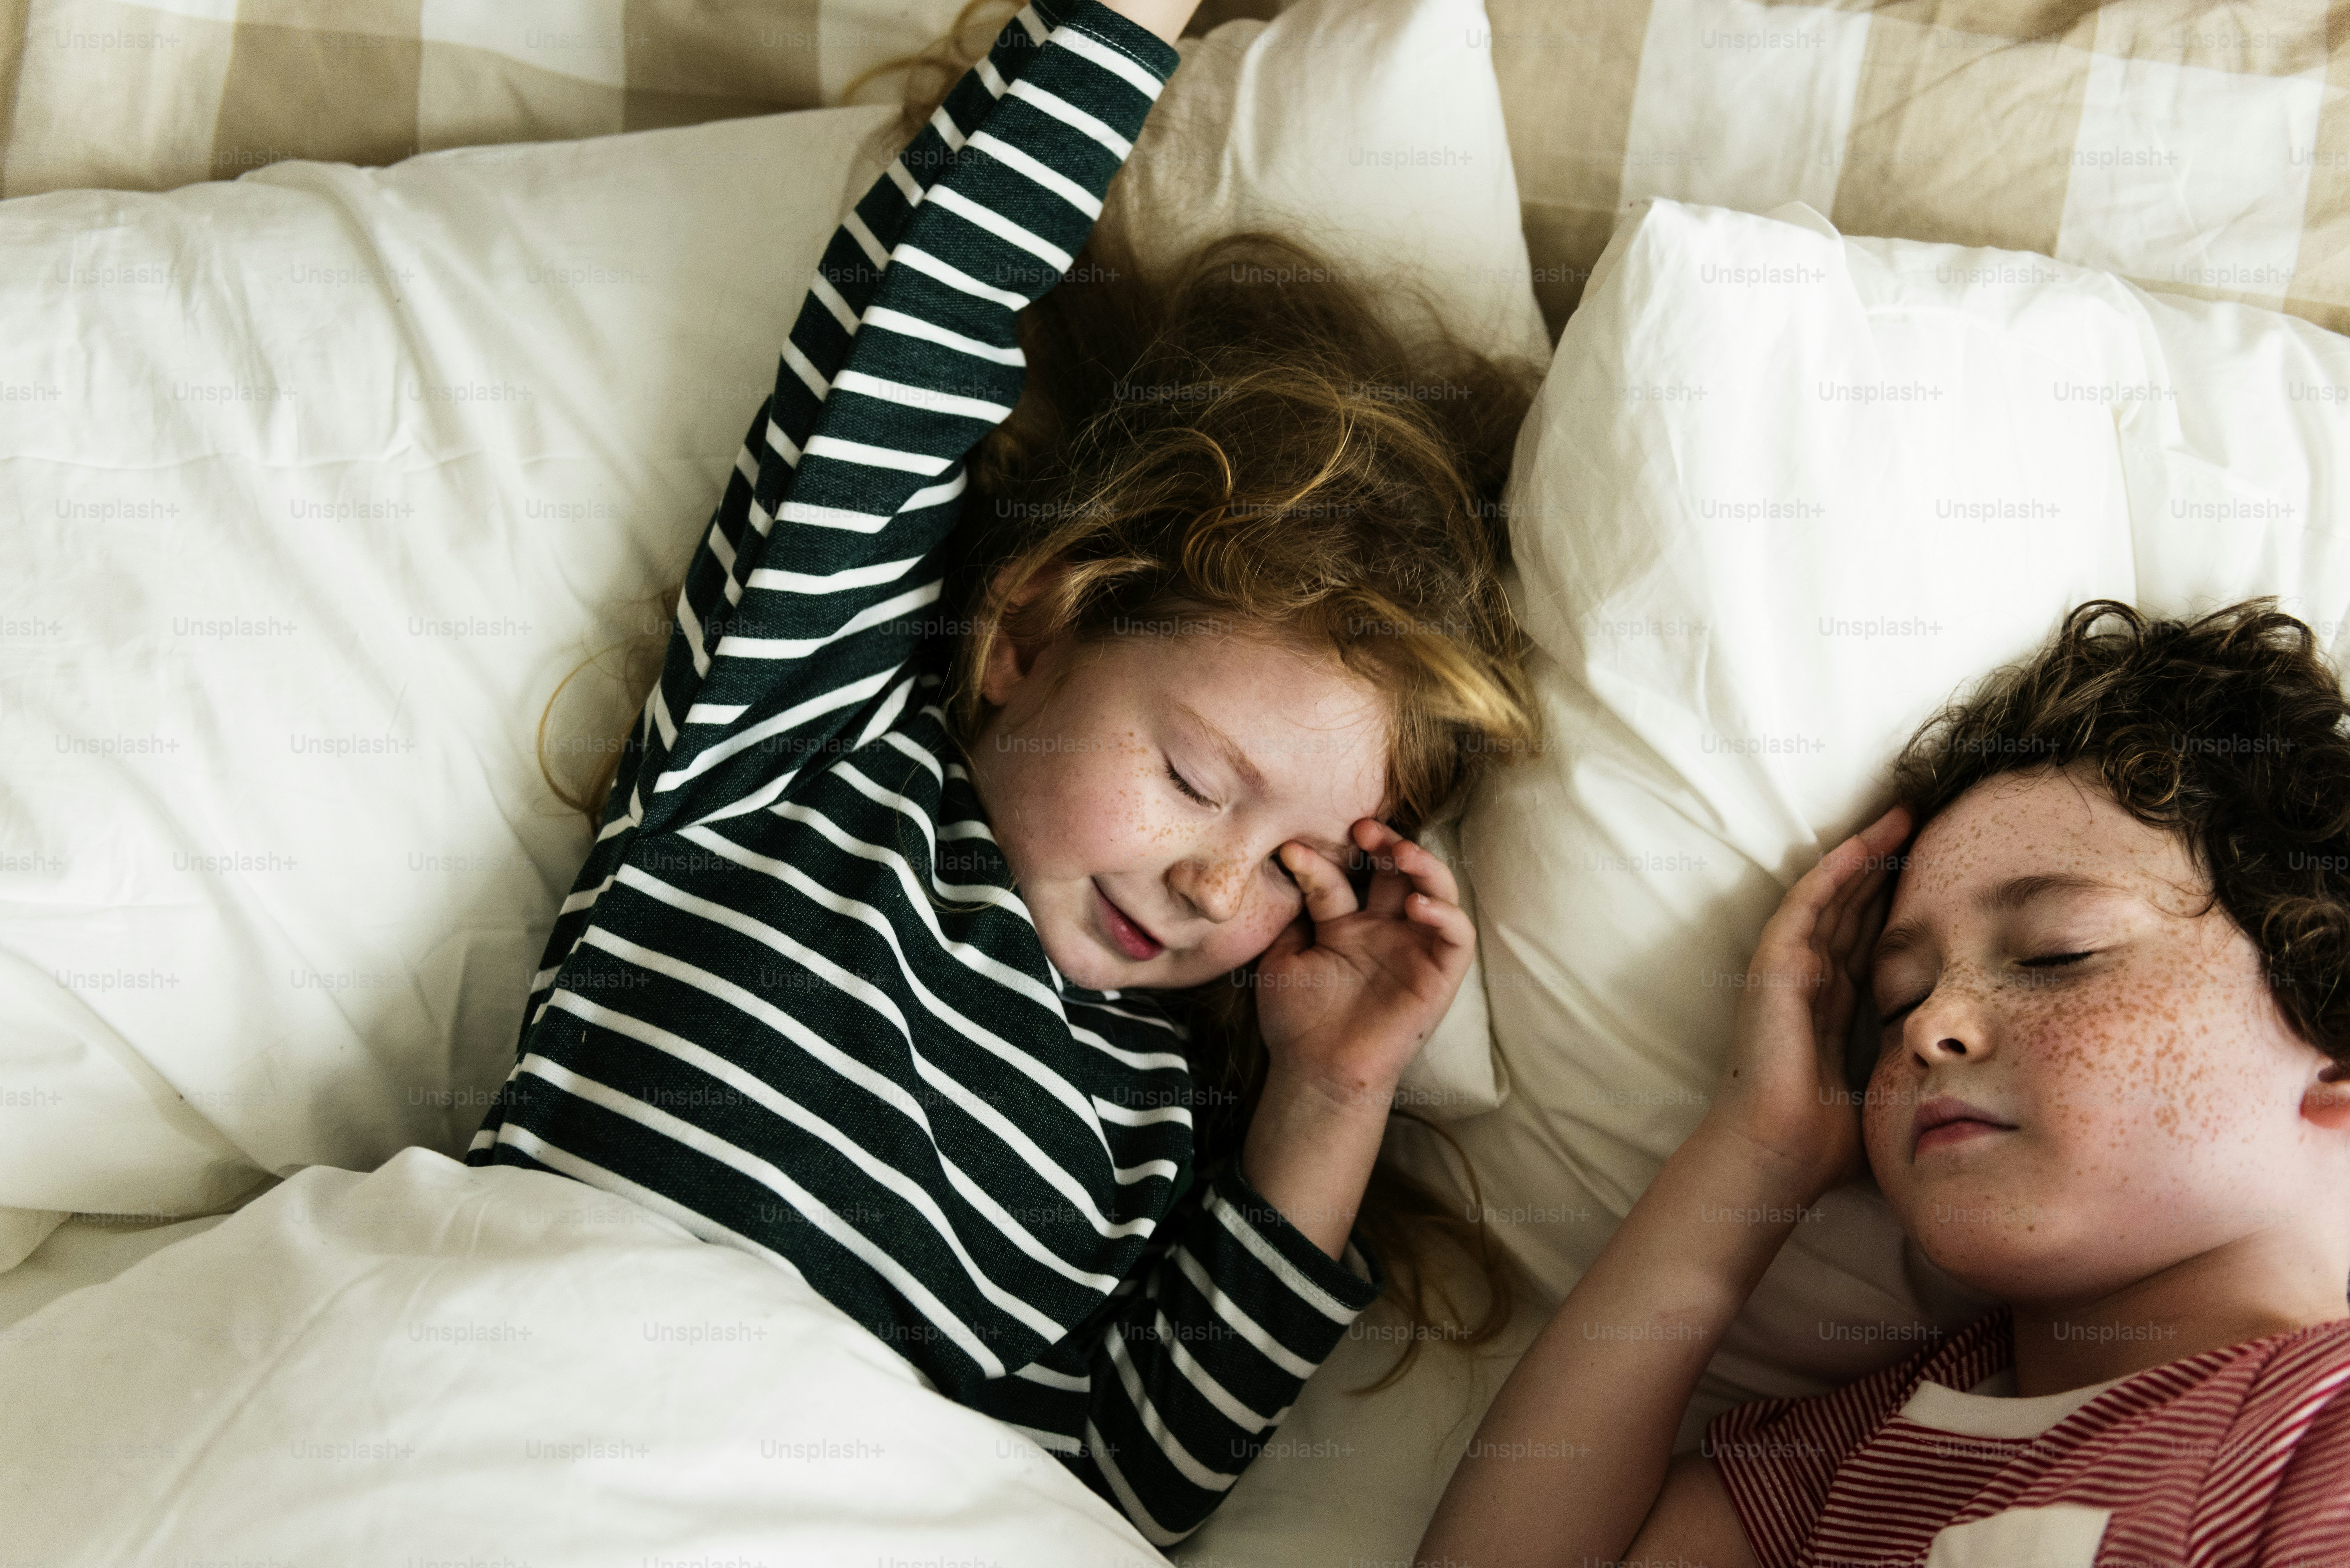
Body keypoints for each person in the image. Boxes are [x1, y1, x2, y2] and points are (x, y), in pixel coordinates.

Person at [469, 0, 1542, 1543]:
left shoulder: (1155, 1116)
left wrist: (1328, 1090)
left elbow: (1126, 1494)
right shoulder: (795, 759)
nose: (1213, 886)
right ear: (1030, 636)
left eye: (1300, 865)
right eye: (1190, 775)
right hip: (517, 1402)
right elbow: (907, 339)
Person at [1421, 599, 2350, 1567]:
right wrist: (1756, 1156)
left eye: (2055, 955)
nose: (1930, 1029)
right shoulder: (1863, 1455)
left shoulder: (2315, 1433)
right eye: (1897, 1001)